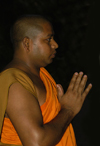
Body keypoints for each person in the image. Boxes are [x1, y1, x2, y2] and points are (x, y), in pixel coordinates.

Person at [0, 15, 92, 146]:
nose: (55, 45)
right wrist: (68, 110)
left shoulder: (41, 74)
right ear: (27, 43)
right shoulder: (15, 82)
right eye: (48, 39)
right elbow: (36, 142)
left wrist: (60, 110)